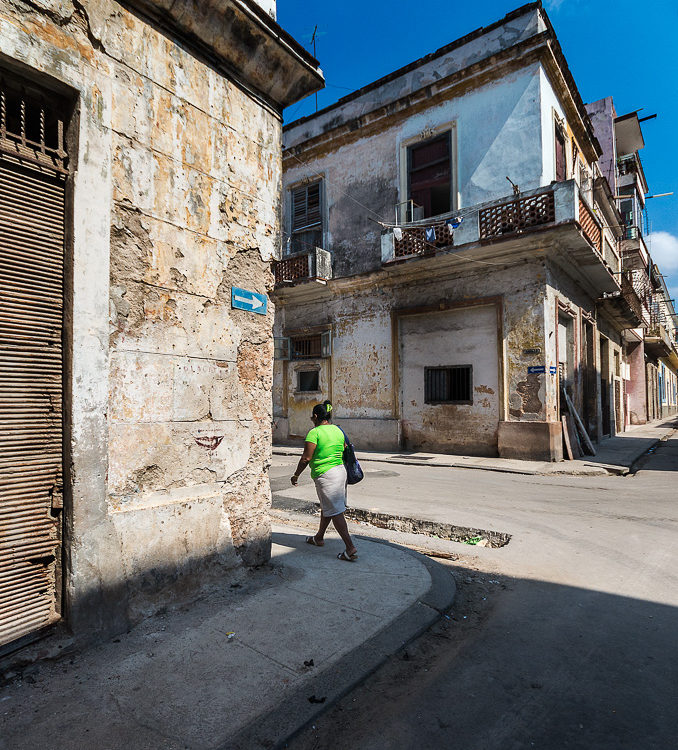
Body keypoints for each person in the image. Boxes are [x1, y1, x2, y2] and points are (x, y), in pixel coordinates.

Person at [290, 399, 358, 562]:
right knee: (328, 506)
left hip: (326, 475)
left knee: (335, 511)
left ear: (315, 416)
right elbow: (342, 449)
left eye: (311, 417)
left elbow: (306, 458)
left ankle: (350, 548)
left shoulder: (315, 433)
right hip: (340, 472)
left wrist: (296, 475)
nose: (311, 420)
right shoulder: (338, 430)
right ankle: (318, 537)